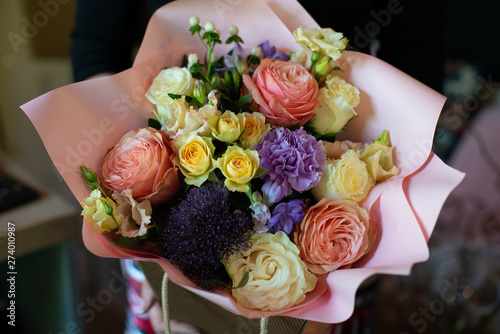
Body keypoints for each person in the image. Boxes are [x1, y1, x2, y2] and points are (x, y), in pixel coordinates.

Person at [71, 1, 445, 333]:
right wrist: (161, 282)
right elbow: (95, 44)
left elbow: (418, 47)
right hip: (159, 252)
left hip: (344, 248)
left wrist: (341, 280)